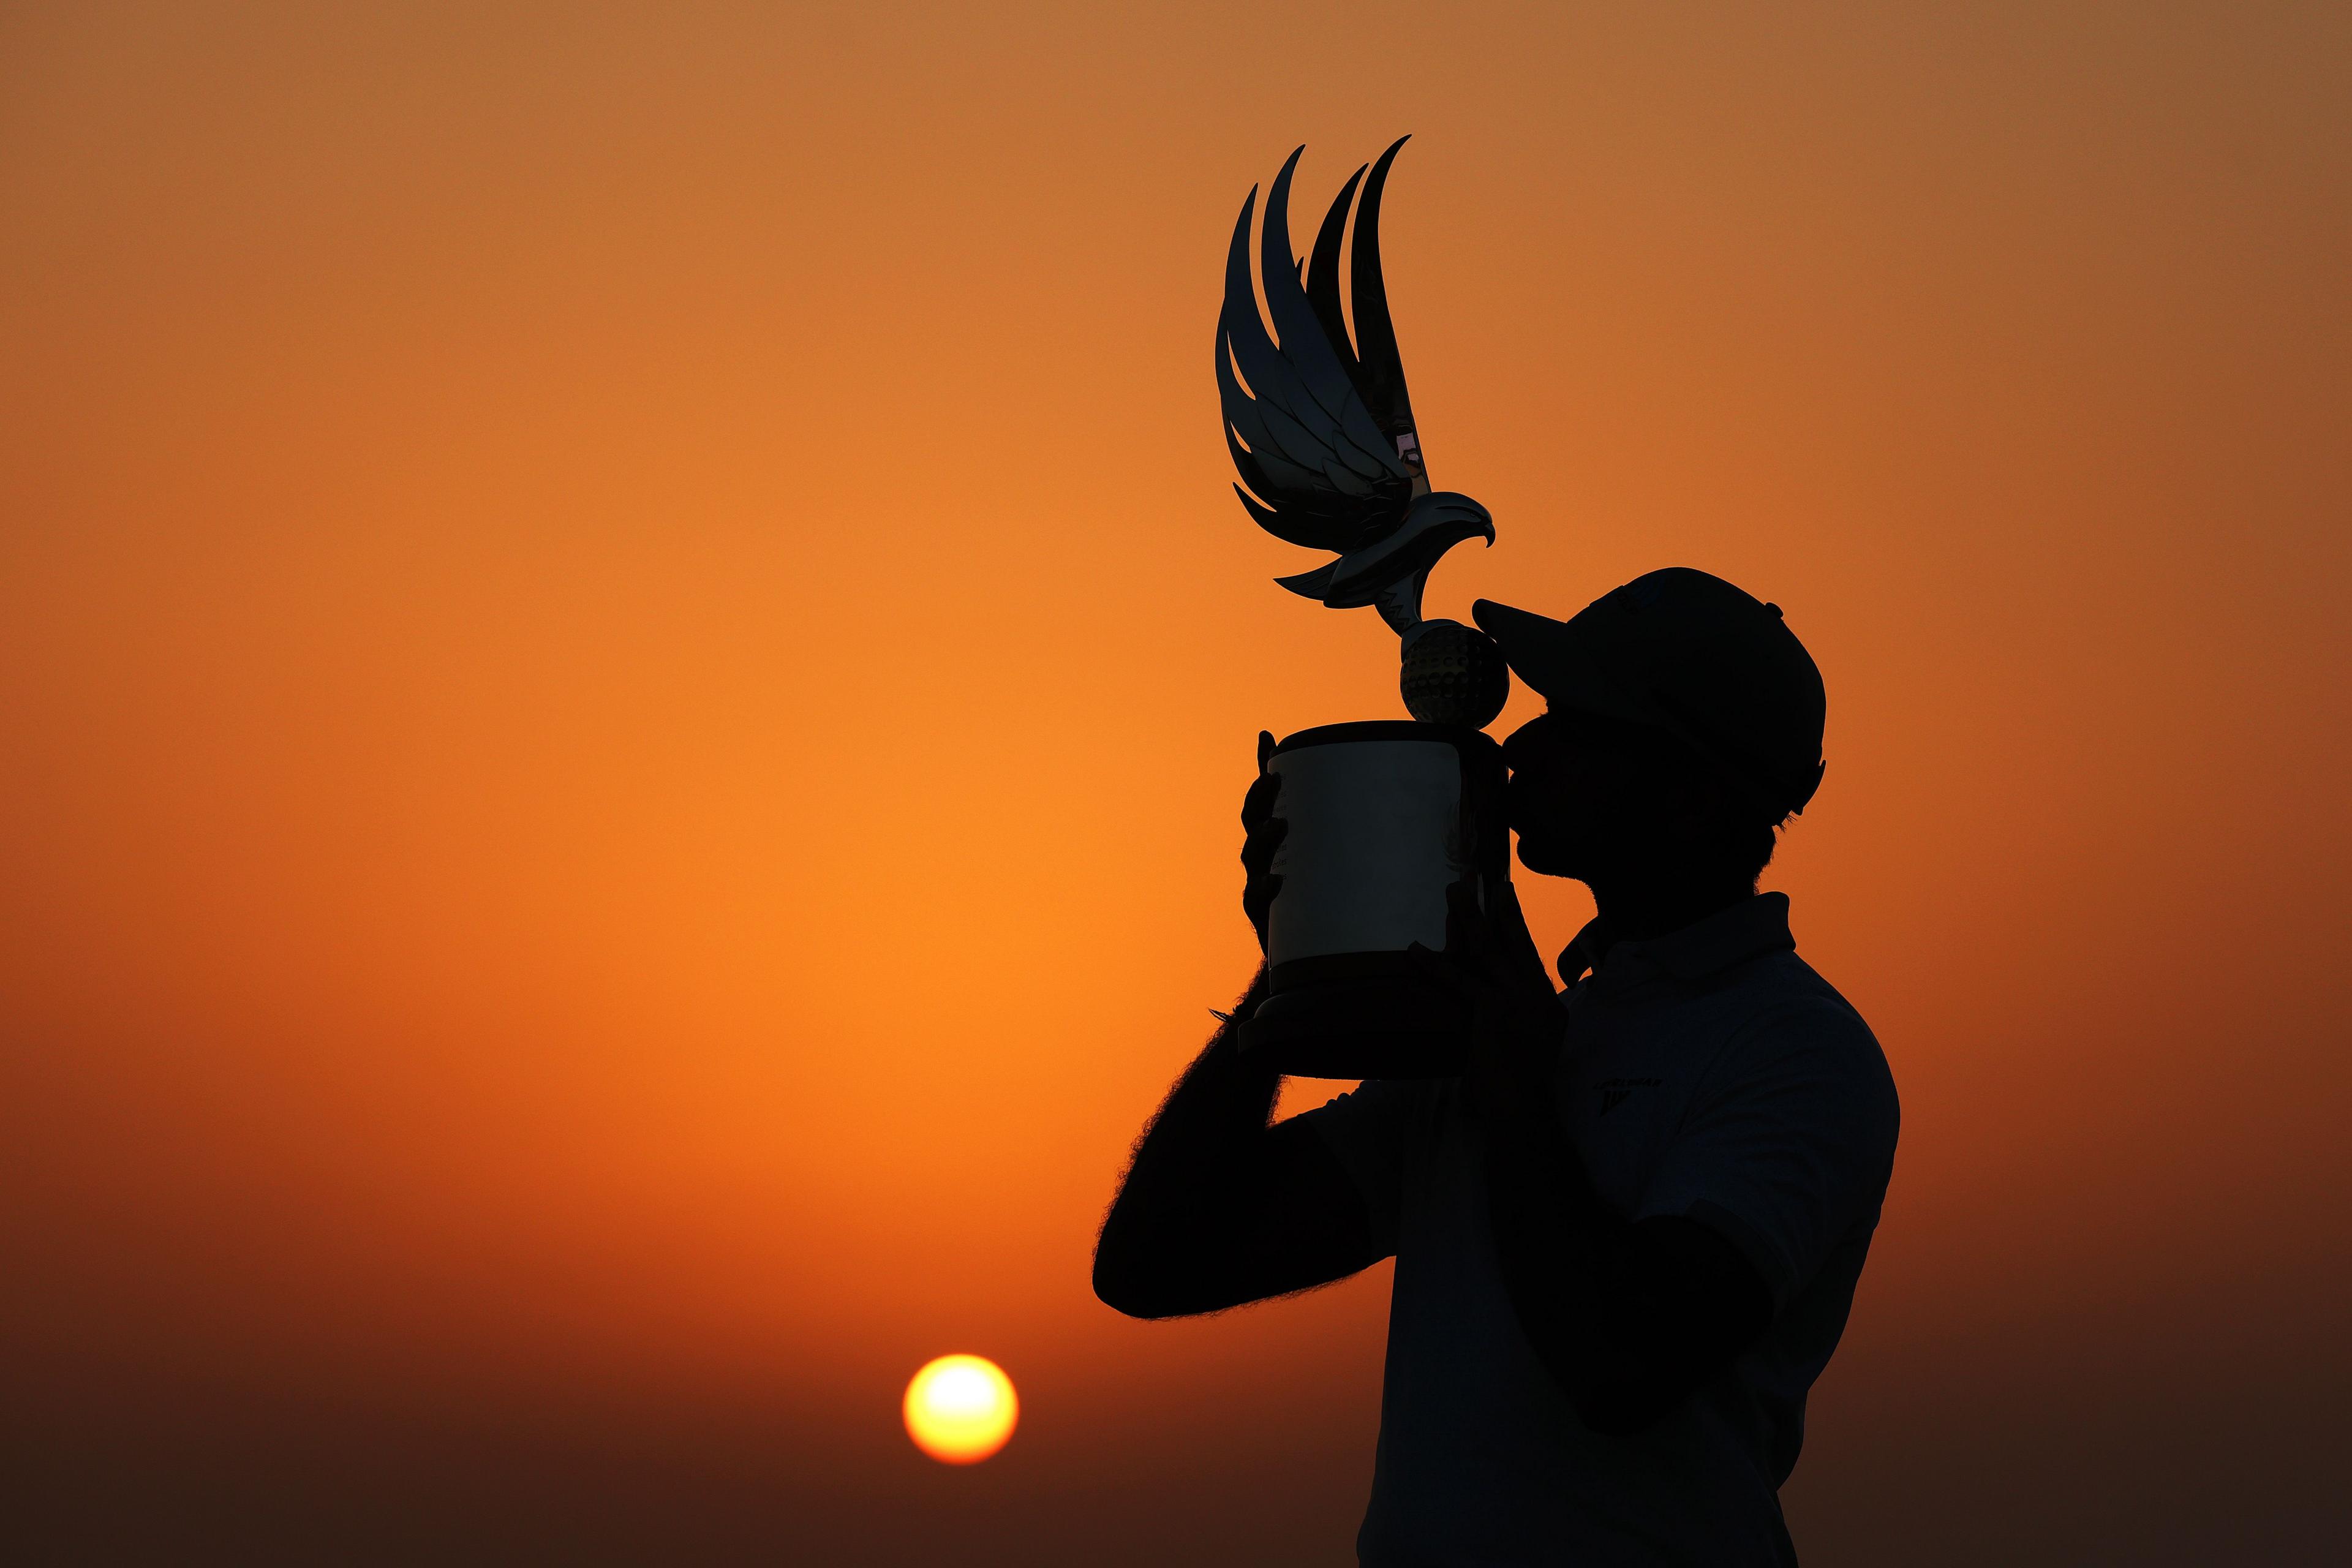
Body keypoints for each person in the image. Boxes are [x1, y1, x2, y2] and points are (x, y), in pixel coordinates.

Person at [1093, 568, 1900, 1567]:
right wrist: (1292, 962)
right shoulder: (1504, 1035)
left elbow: (1620, 1367)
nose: (1522, 745)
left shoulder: (1798, 1053)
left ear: (1691, 798)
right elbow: (1156, 1264)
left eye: (1579, 721)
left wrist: (1515, 1099)